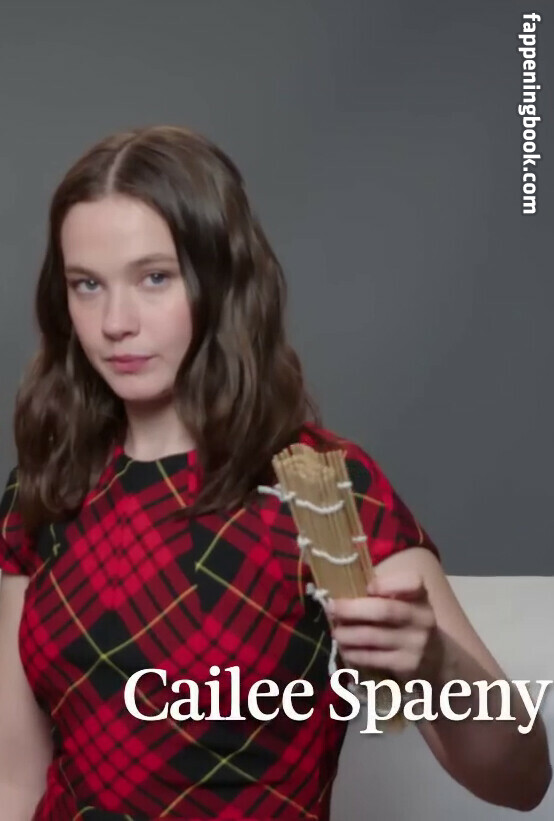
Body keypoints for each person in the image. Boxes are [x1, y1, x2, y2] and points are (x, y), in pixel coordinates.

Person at [0, 125, 550, 821]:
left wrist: (438, 664)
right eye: (87, 285)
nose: (115, 321)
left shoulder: (320, 486)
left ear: (221, 280)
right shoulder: (42, 489)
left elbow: (523, 780)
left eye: (155, 277)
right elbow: (14, 782)